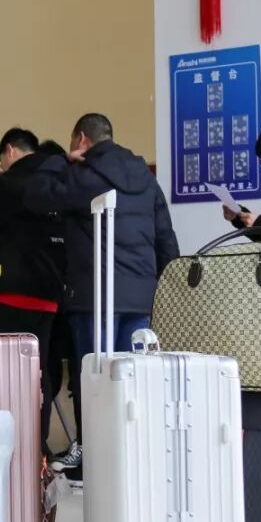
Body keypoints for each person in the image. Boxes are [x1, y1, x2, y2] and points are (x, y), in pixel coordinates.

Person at [25, 113, 179, 476]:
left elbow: (35, 195)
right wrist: (164, 288)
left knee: (95, 382)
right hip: (140, 299)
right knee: (132, 381)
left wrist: (59, 161)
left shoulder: (84, 174)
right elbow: (165, 236)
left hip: (95, 297)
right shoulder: (145, 176)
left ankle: (95, 464)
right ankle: (133, 462)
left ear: (81, 139)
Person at [0, 128, 66, 454]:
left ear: (9, 151)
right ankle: (37, 450)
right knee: (39, 373)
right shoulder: (60, 177)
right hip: (48, 296)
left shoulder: (12, 180)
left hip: (8, 293)